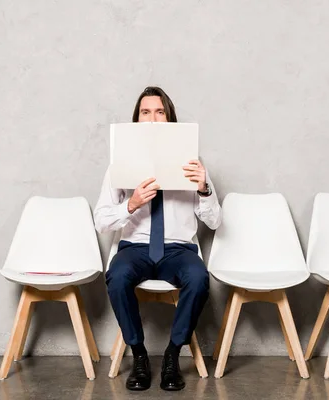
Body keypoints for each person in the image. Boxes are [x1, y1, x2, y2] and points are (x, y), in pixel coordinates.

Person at [94, 86, 222, 391]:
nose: (153, 118)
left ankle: (172, 355)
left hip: (179, 250)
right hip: (135, 248)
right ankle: (138, 355)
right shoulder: (120, 164)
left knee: (199, 277)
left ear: (170, 119)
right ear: (137, 121)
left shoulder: (193, 162)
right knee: (118, 275)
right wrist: (132, 203)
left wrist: (204, 188)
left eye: (160, 111)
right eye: (146, 112)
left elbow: (215, 220)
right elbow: (101, 221)